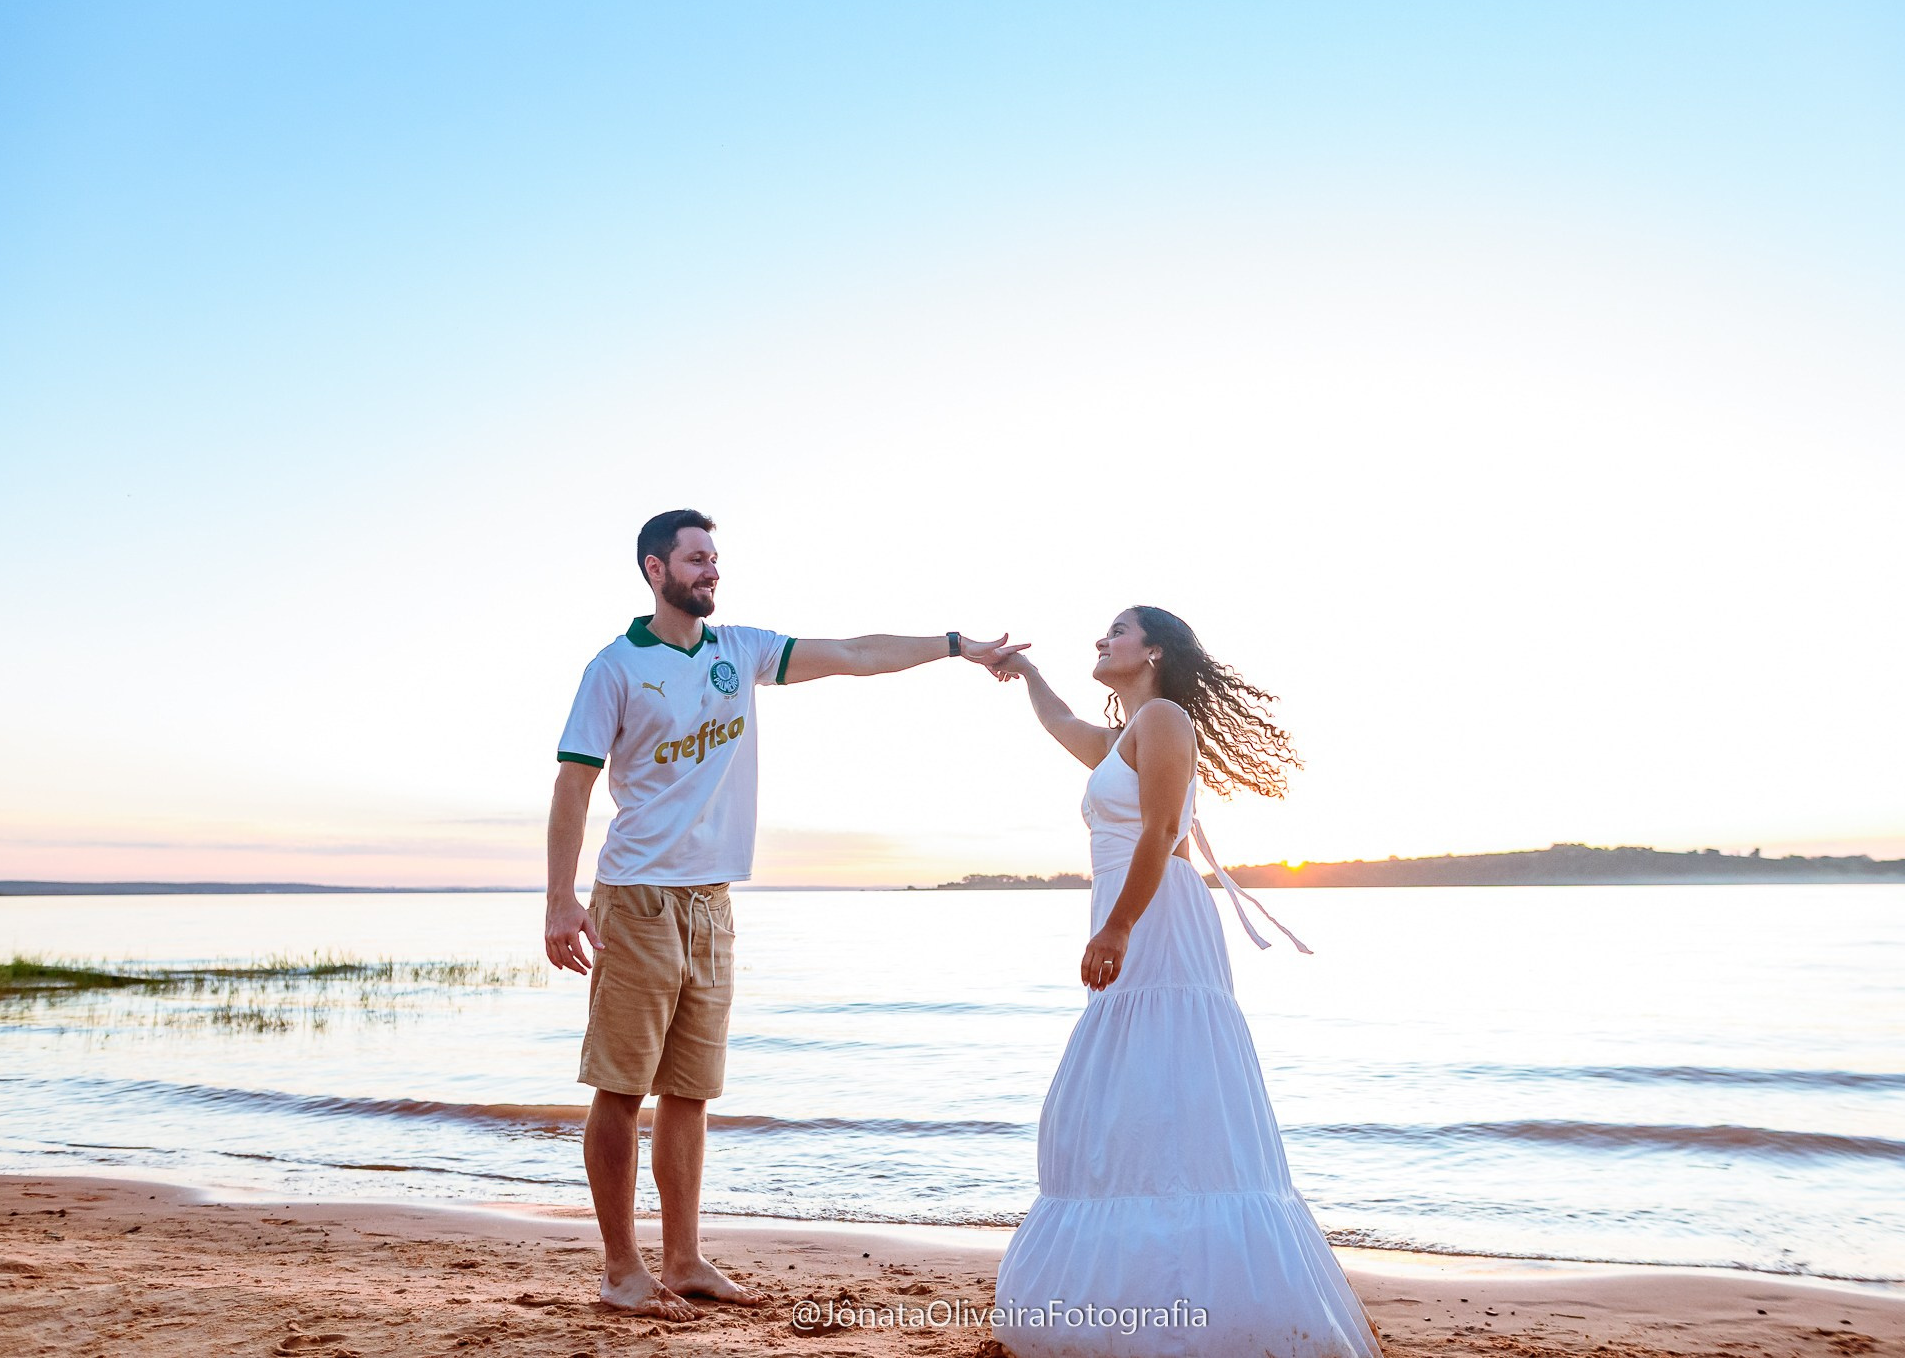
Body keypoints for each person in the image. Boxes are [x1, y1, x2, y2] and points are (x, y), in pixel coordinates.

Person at [544, 508, 1021, 1320]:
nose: (712, 571)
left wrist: (954, 646)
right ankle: (623, 1270)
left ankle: (686, 1258)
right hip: (638, 897)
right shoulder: (614, 666)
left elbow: (857, 655)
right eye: (697, 559)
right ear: (656, 570)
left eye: (716, 559)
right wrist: (561, 898)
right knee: (622, 1088)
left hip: (714, 900)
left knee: (691, 1091)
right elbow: (573, 785)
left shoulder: (742, 650)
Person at [975, 607, 1385, 1358]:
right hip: (1139, 915)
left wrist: (1117, 926)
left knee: (1165, 1084)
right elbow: (1062, 721)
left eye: (1117, 631)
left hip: (1156, 919)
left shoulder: (1164, 716)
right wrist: (1024, 672)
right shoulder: (1125, 734)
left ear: (1154, 650)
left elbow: (1162, 831)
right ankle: (1152, 1292)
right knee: (1130, 1098)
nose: (1101, 640)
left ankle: (1200, 1301)